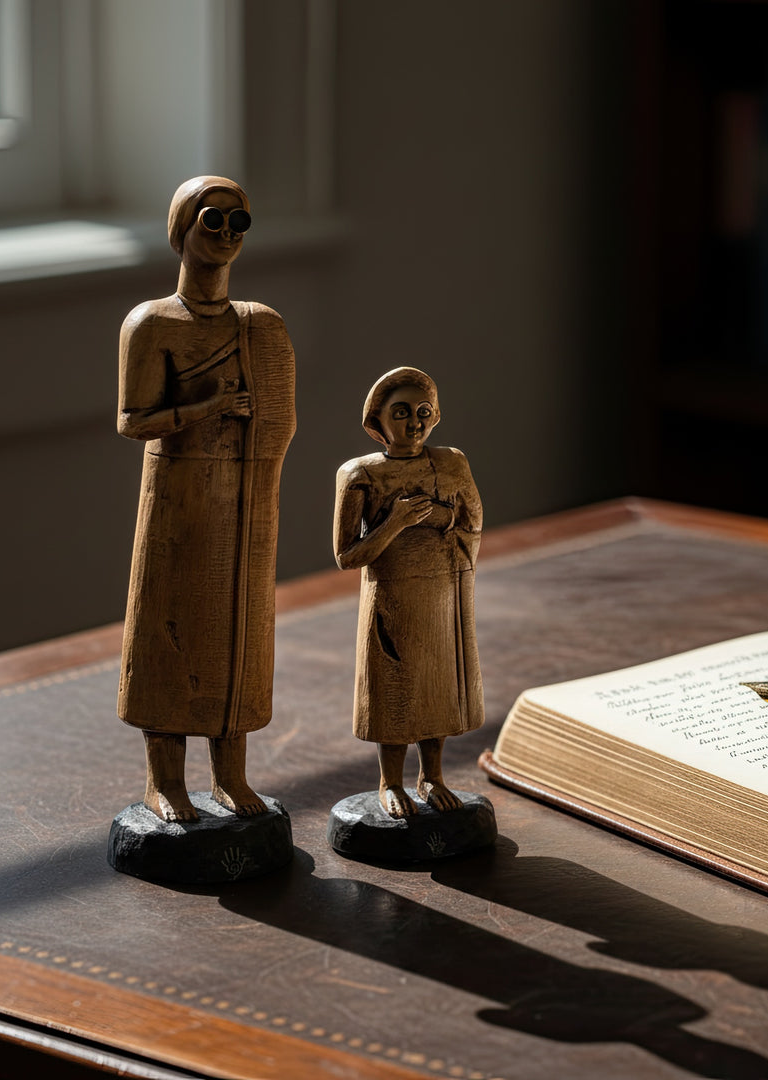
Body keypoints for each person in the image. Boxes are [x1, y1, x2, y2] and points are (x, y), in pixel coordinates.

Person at [116, 176, 296, 822]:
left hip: (242, 498)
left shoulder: (261, 325)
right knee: (169, 630)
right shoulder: (152, 323)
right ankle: (163, 783)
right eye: (211, 220)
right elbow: (133, 421)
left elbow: (280, 420)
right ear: (181, 231)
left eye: (237, 222)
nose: (224, 234)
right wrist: (208, 406)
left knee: (237, 630)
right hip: (177, 499)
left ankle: (230, 779)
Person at [333, 367, 484, 818]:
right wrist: (395, 523)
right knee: (395, 689)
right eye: (401, 412)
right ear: (377, 420)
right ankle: (391, 782)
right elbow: (347, 556)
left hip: (440, 592)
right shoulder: (360, 474)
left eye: (423, 412)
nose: (414, 423)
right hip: (391, 596)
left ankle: (432, 776)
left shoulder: (452, 462)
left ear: (435, 416)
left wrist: (440, 516)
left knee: (437, 685)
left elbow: (471, 521)